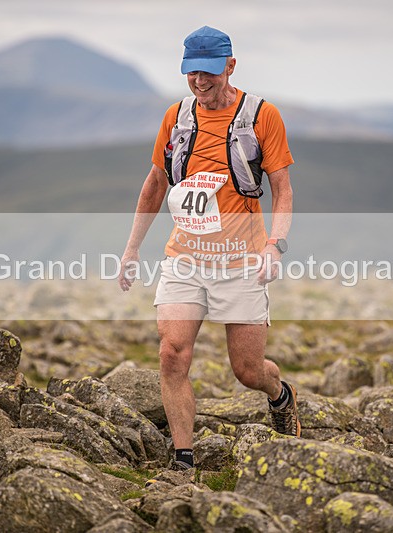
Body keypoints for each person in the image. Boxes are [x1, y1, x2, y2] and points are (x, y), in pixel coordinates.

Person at [119, 25, 299, 474]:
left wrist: (275, 245)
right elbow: (157, 183)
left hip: (242, 260)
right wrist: (132, 249)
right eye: (191, 72)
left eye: (209, 73)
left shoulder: (262, 115)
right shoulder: (176, 117)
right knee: (172, 353)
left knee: (247, 370)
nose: (200, 81)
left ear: (230, 67)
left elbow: (283, 189)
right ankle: (183, 459)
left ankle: (280, 395)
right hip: (184, 258)